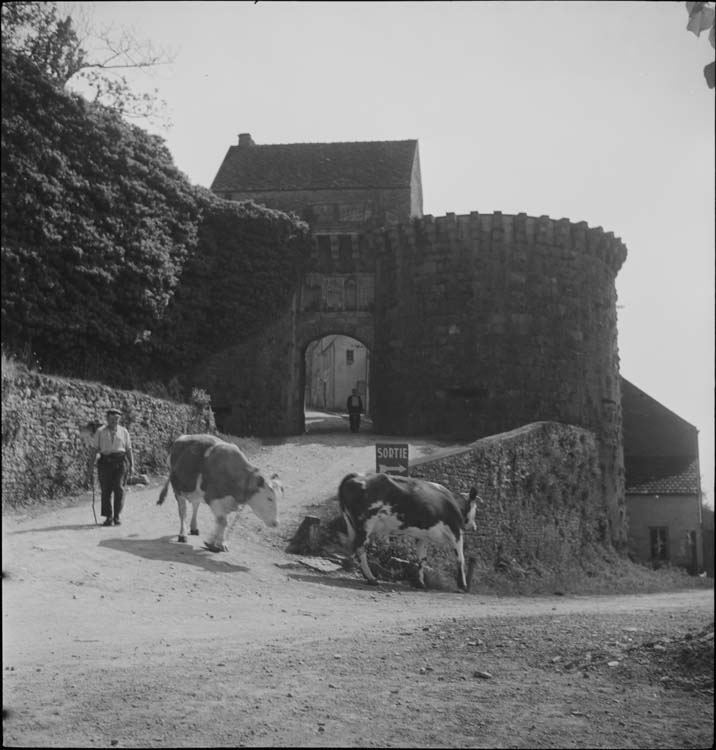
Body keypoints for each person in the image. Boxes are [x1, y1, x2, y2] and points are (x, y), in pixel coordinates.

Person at [88, 408, 134, 526]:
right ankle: (108, 517)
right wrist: (91, 466)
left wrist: (132, 465)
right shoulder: (100, 431)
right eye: (112, 419)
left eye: (117, 419)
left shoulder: (124, 432)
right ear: (107, 419)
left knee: (119, 488)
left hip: (121, 462)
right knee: (106, 490)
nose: (115, 421)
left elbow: (128, 449)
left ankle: (117, 516)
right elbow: (94, 450)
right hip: (105, 462)